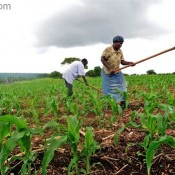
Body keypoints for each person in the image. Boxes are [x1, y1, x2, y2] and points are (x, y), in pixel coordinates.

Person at [101, 35, 135, 109]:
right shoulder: (108, 50)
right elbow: (102, 59)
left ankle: (123, 103)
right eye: (120, 43)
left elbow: (122, 61)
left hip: (117, 72)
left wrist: (129, 63)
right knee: (108, 89)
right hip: (107, 73)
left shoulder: (120, 51)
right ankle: (107, 104)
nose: (121, 45)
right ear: (114, 43)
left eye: (122, 44)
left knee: (123, 86)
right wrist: (110, 69)